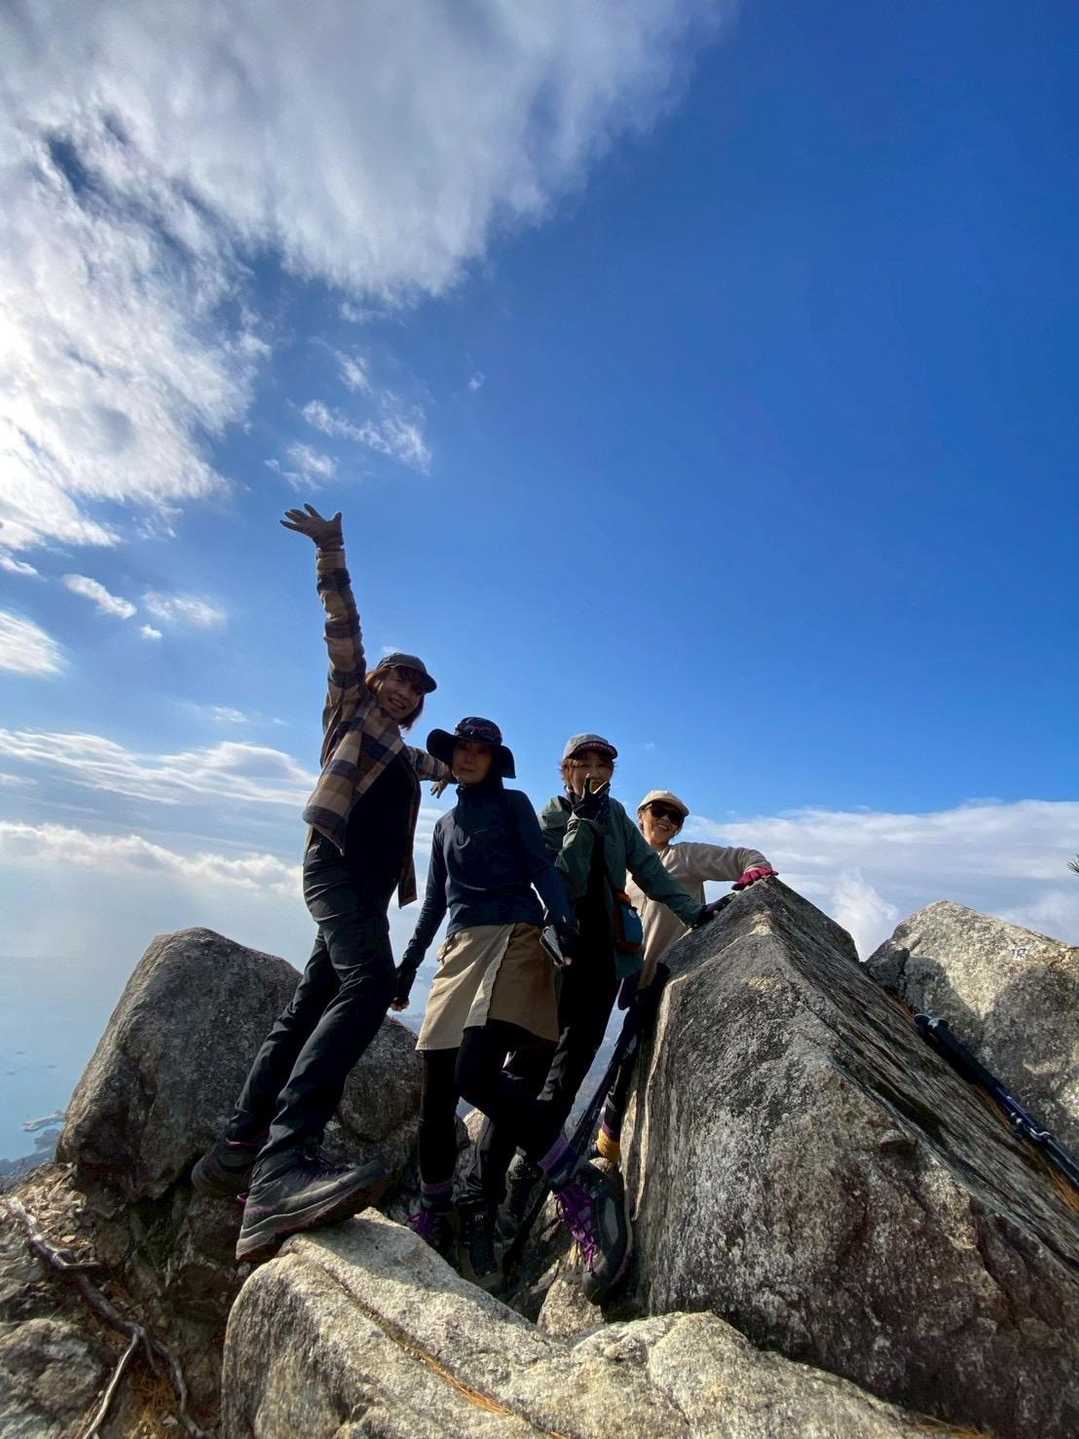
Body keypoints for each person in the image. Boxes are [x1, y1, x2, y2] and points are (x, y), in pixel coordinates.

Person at [192, 504, 450, 1262]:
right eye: (397, 678)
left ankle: (234, 1149)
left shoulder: (401, 752)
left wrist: (467, 767)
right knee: (368, 984)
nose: (404, 691)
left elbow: (439, 766)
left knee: (310, 1003)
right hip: (332, 866)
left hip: (365, 890)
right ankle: (281, 1168)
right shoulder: (350, 707)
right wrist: (329, 550)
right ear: (377, 681)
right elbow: (343, 631)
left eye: (416, 689)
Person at [391, 719, 631, 1303]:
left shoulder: (515, 804)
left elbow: (540, 867)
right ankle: (437, 1210)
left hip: (516, 937)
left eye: (481, 751)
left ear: (495, 761)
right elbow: (435, 904)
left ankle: (573, 1181)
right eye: (461, 749)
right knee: (436, 1096)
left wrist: (563, 921)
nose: (468, 757)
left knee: (477, 1074)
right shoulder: (445, 826)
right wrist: (409, 963)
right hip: (460, 948)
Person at [462, 733, 720, 1253]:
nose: (595, 770)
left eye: (604, 764)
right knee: (524, 1075)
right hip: (553, 962)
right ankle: (479, 1201)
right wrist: (582, 821)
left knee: (565, 1080)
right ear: (566, 769)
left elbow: (649, 870)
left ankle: (527, 1180)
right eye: (585, 762)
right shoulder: (550, 817)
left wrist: (696, 914)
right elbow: (566, 882)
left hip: (602, 964)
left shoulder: (617, 815)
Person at [596, 789, 776, 1164]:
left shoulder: (685, 856)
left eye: (674, 817)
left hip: (671, 973)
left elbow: (742, 856)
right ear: (641, 815)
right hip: (631, 976)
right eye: (659, 811)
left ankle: (608, 1139)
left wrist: (755, 868)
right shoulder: (627, 865)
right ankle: (608, 1138)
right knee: (623, 1053)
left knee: (629, 1056)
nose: (665, 820)